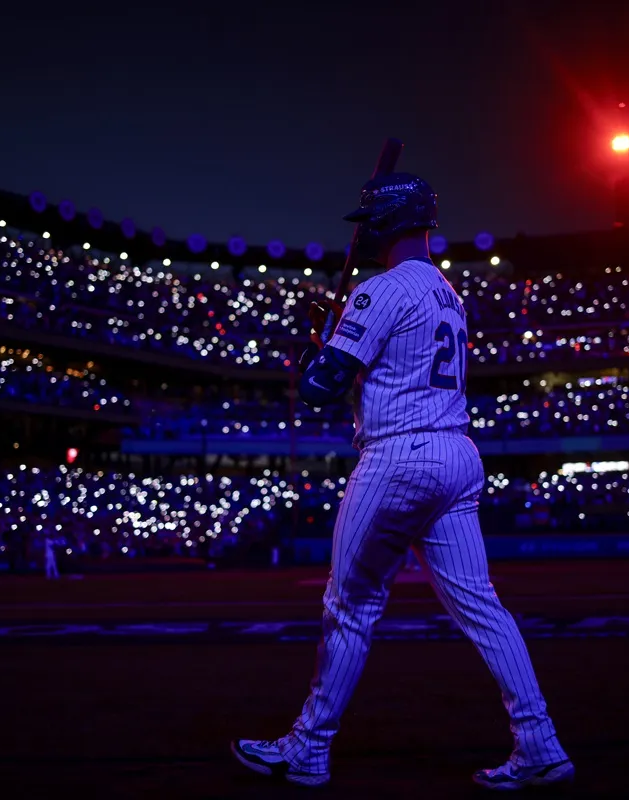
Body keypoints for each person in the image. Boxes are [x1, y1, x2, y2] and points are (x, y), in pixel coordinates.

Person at [232, 174, 573, 791]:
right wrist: (337, 335)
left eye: (367, 220)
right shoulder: (448, 293)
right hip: (457, 454)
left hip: (397, 458)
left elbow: (320, 389)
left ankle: (308, 749)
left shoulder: (380, 289)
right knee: (481, 606)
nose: (361, 232)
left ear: (389, 221)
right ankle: (540, 742)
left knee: (350, 606)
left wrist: (317, 346)